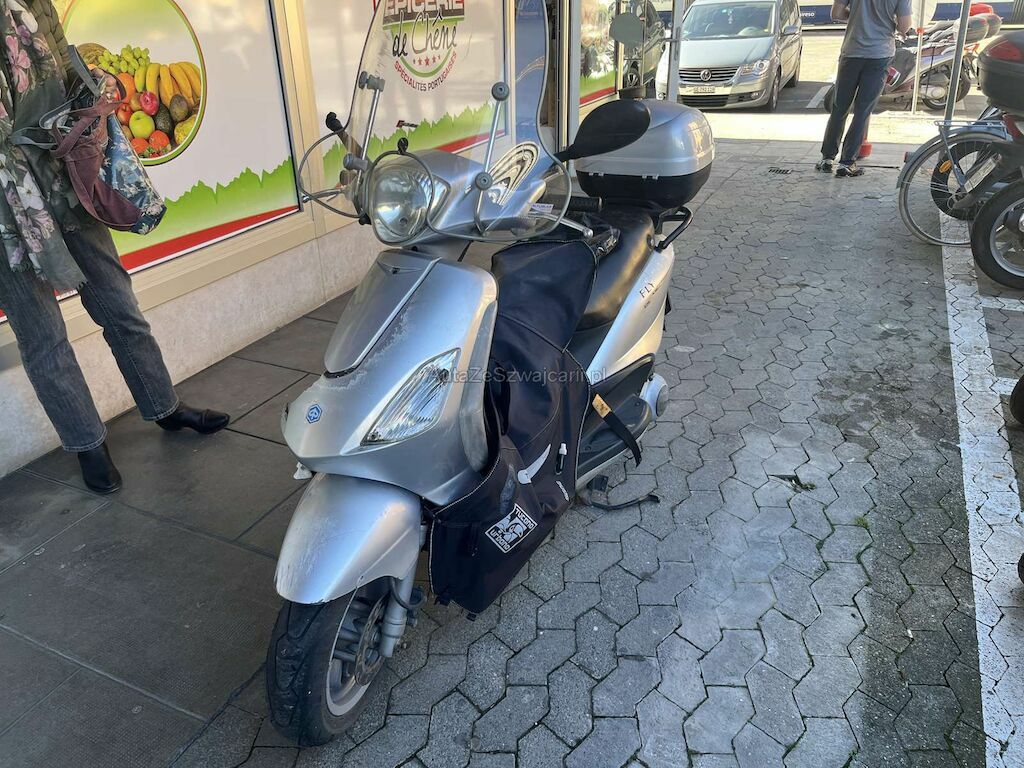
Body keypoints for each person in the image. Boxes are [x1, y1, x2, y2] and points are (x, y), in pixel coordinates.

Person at [0, 0, 229, 493]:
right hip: (4, 204)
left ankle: (164, 406)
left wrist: (94, 90)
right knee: (42, 333)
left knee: (118, 302)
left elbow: (64, 66)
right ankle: (87, 443)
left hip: (61, 170)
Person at [816, 0, 913, 177]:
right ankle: (847, 162)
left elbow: (836, 13)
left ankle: (827, 158)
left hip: (851, 52)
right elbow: (904, 26)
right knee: (863, 111)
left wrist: (857, 17)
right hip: (879, 55)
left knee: (839, 107)